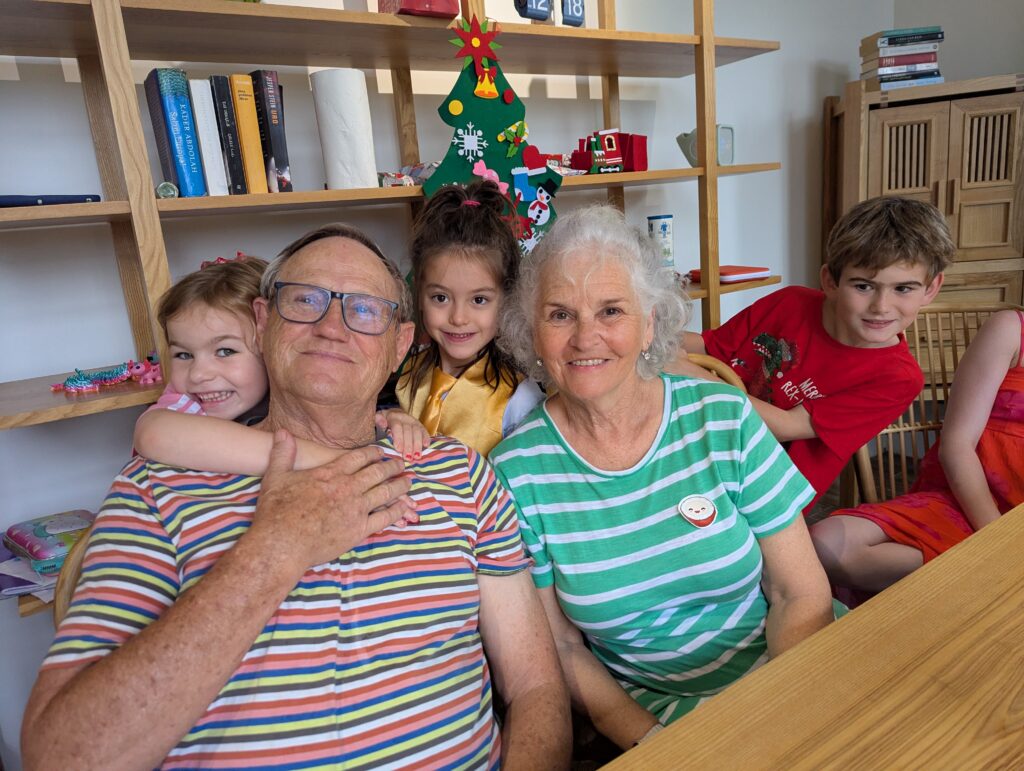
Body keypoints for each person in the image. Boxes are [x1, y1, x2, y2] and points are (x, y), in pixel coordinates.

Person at [22, 223, 570, 769]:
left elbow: (536, 687)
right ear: (262, 322)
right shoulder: (157, 489)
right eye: (305, 300)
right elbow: (64, 758)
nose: (332, 327)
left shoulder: (460, 474)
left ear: (400, 345)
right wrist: (275, 550)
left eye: (364, 310)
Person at [489, 205, 833, 751]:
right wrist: (650, 740)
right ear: (531, 331)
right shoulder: (515, 473)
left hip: (790, 662)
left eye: (610, 311)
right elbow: (562, 645)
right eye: (560, 315)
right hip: (656, 713)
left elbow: (801, 592)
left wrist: (776, 711)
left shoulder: (722, 417)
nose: (585, 337)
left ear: (650, 324)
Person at [678, 196, 954, 511]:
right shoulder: (789, 303)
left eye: (903, 289)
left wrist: (693, 373)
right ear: (830, 281)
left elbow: (785, 425)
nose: (881, 307)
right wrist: (647, 334)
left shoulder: (897, 378)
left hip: (767, 499)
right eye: (863, 286)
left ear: (931, 288)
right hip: (706, 456)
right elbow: (708, 347)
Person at [133, 256, 428, 471]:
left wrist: (391, 418)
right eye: (183, 355)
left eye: (225, 352)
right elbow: (152, 432)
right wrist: (336, 462)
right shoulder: (181, 407)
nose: (198, 374)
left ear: (267, 340)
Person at [811, 309, 1024, 593]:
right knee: (826, 544)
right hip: (968, 502)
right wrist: (999, 539)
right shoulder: (1011, 329)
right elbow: (957, 446)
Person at [395, 180, 543, 457]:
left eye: (479, 300)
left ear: (507, 298)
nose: (458, 318)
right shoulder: (407, 374)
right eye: (440, 297)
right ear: (420, 294)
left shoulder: (519, 398)